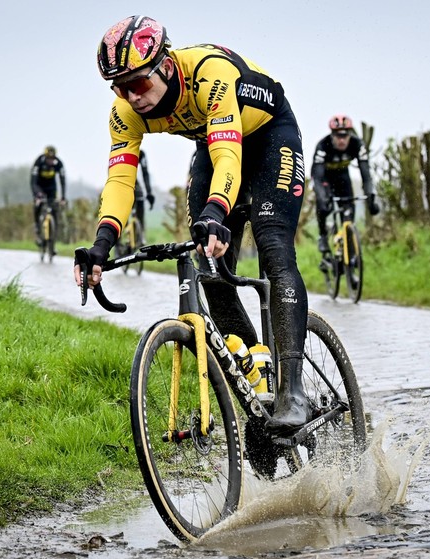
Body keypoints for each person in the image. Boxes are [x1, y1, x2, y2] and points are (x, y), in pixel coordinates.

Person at [75, 15, 311, 432]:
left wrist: (217, 212)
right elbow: (120, 179)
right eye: (119, 87)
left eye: (139, 83)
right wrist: (101, 243)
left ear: (165, 65)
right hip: (214, 142)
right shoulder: (125, 112)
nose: (132, 96)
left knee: (272, 242)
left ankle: (292, 392)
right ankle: (258, 388)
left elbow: (228, 156)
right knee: (209, 268)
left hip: (269, 135)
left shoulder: (209, 74)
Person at [311, 115, 380, 264]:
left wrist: (371, 196)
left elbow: (366, 175)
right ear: (332, 135)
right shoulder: (323, 146)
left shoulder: (357, 144)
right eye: (338, 136)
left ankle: (349, 253)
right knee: (322, 205)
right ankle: (323, 235)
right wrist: (322, 196)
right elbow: (316, 177)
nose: (342, 140)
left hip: (343, 178)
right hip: (325, 179)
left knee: (349, 213)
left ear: (350, 134)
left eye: (345, 135)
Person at [30, 145, 66, 245]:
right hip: (39, 186)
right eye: (49, 158)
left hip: (51, 188)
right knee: (38, 204)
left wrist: (63, 197)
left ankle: (53, 239)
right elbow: (33, 181)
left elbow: (62, 181)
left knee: (54, 208)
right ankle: (37, 226)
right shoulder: (39, 162)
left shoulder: (58, 163)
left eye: (52, 158)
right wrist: (37, 195)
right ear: (45, 157)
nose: (50, 161)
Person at [133, 149, 155, 238]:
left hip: (132, 181)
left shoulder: (140, 153)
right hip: (121, 180)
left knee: (139, 194)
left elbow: (145, 173)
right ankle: (118, 244)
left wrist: (149, 193)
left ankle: (140, 233)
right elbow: (145, 174)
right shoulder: (140, 153)